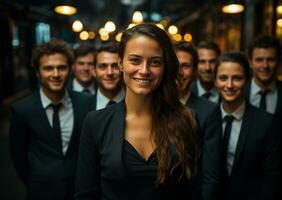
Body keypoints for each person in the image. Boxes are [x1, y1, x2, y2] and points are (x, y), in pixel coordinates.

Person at [75, 23, 201, 200]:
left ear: (165, 67)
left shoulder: (186, 119)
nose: (144, 70)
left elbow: (193, 192)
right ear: (121, 63)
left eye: (155, 62)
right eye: (135, 60)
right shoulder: (96, 122)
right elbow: (85, 195)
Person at [9, 40, 94, 200]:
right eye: (48, 68)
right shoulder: (22, 110)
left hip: (80, 192)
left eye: (61, 68)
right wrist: (34, 183)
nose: (56, 74)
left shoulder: (86, 103)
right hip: (41, 193)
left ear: (70, 70)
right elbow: (18, 155)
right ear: (37, 72)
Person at [214, 51, 280, 200]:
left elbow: (272, 177)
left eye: (237, 78)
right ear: (215, 81)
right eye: (223, 78)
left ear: (247, 80)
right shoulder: (206, 118)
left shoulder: (266, 123)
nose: (229, 85)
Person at [245, 35, 282, 199]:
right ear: (250, 62)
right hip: (242, 183)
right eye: (259, 60)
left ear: (279, 61)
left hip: (280, 182)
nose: (265, 65)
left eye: (271, 59)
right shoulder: (238, 93)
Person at [174, 41, 222, 200]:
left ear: (195, 71)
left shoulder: (209, 111)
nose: (179, 72)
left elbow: (211, 174)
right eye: (175, 65)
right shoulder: (152, 105)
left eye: (186, 66)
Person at [92, 42, 125, 110]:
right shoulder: (80, 105)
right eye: (103, 66)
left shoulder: (137, 104)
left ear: (123, 68)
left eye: (115, 66)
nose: (109, 73)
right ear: (94, 71)